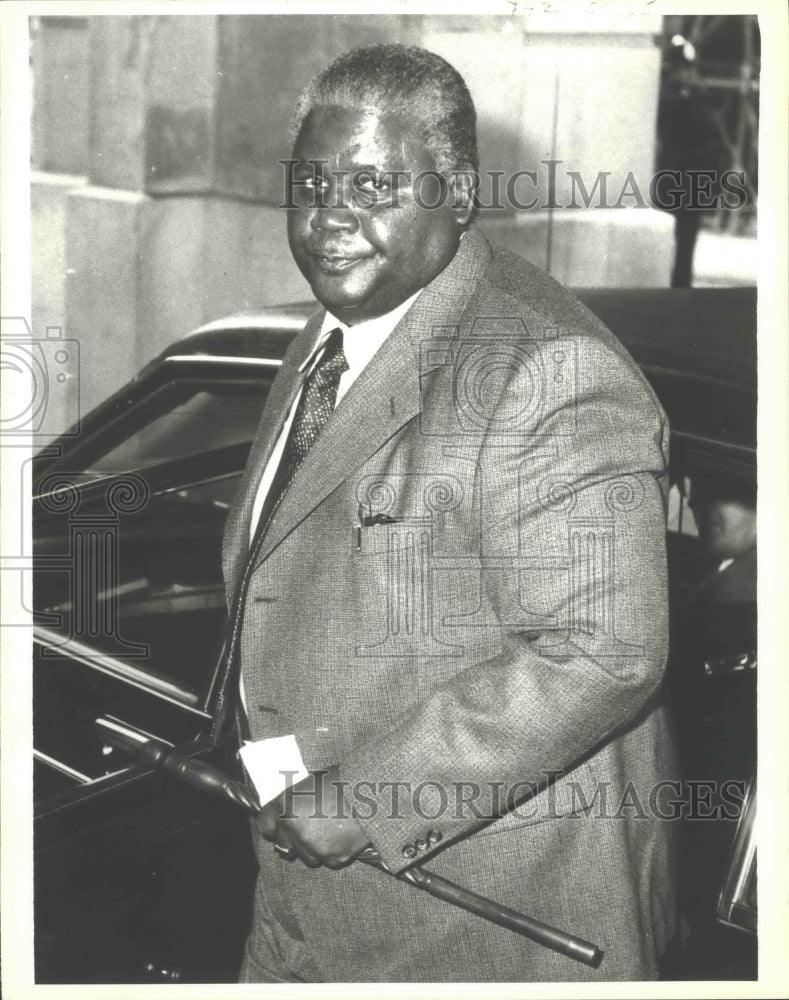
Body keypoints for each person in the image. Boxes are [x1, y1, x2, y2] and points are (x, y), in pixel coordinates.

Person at [220, 43, 676, 983]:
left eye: (371, 184)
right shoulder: (334, 334)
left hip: (489, 919)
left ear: (458, 195)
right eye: (309, 182)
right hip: (314, 905)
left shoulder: (546, 369)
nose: (329, 217)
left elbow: (602, 649)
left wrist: (363, 796)